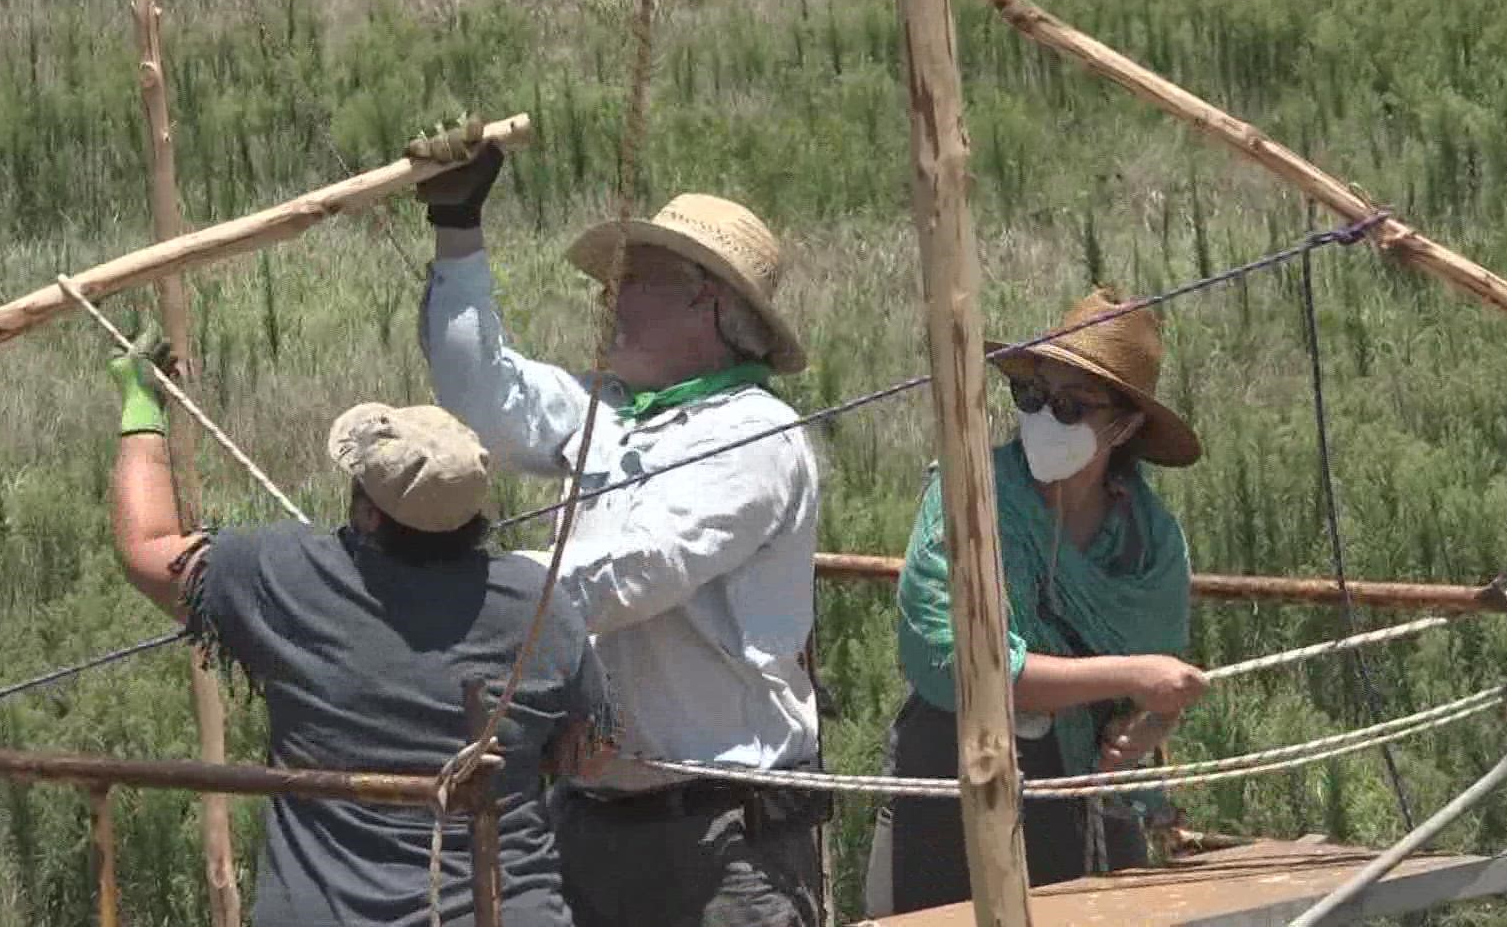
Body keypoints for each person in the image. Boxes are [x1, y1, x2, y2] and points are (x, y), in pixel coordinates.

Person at [409, 124, 828, 926]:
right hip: (596, 822)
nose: (609, 297)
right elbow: (480, 389)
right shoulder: (605, 409)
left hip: (719, 844)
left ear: (705, 300)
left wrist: (455, 593)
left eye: (634, 278)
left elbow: (632, 569)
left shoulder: (755, 436)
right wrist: (458, 230)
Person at [102, 329, 610, 927]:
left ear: (368, 512)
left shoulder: (289, 576)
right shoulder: (538, 602)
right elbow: (590, 755)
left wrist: (141, 406)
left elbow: (147, 547)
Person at [863, 287, 1211, 917]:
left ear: (1124, 425)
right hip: (952, 778)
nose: (1043, 417)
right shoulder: (970, 495)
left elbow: (1159, 690)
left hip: (1087, 794)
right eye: (1032, 397)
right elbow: (955, 659)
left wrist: (1147, 725)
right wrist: (1130, 674)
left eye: (1071, 406)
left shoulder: (1150, 541)